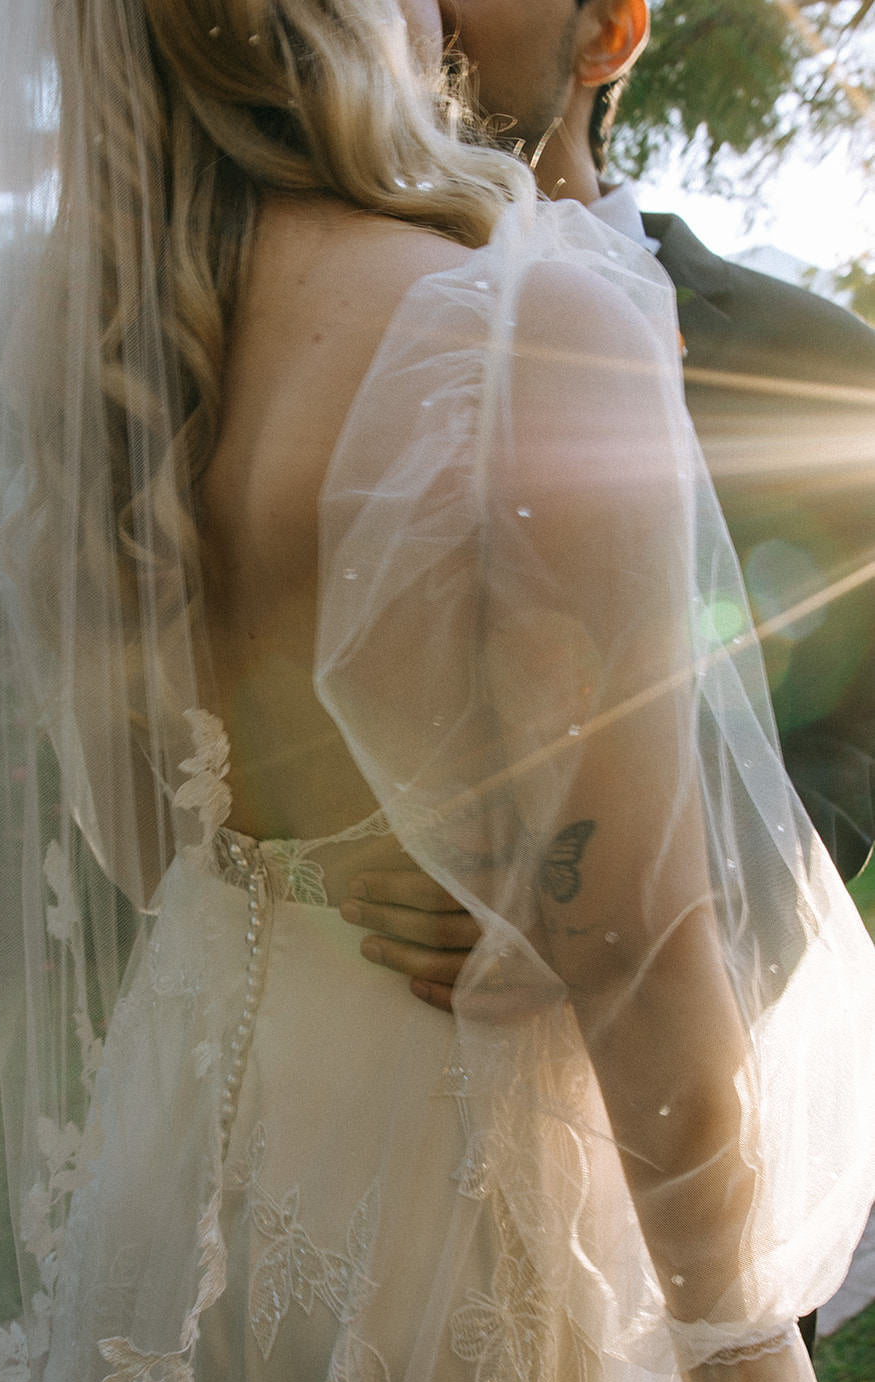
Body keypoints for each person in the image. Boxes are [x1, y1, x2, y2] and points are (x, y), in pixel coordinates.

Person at [0, 2, 874, 1382]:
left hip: (192, 1151)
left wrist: (313, 872)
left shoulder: (103, 374)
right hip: (452, 1167)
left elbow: (144, 827)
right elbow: (641, 945)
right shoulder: (523, 309)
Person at [345, 0, 875, 1011]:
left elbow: (857, 726)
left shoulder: (816, 367)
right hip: (354, 1026)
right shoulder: (302, 338)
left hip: (688, 1035)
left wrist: (660, 911)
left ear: (608, 34)